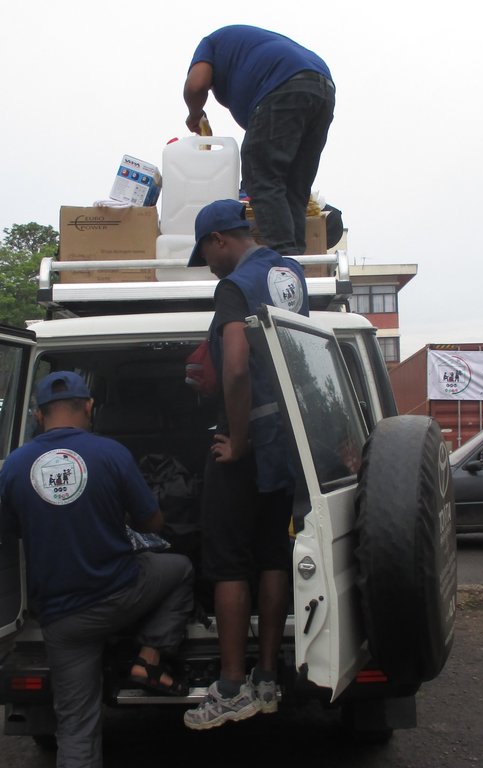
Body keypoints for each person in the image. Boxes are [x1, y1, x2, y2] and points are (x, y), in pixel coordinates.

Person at [0, 371, 193, 768]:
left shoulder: (15, 466)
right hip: (121, 596)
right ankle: (149, 661)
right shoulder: (111, 454)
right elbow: (152, 525)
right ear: (88, 407)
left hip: (62, 621)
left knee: (77, 728)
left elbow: (16, 530)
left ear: (39, 415)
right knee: (181, 570)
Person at [182, 199, 310, 731]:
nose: (209, 265)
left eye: (206, 254)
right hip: (287, 442)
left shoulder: (233, 286)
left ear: (219, 240)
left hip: (249, 441)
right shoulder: (290, 272)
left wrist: (235, 440)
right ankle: (265, 677)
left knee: (230, 563)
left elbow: (236, 367)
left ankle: (231, 687)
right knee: (272, 556)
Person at [184, 25, 335, 257]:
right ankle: (295, 262)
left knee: (260, 175)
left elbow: (196, 85)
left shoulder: (210, 44)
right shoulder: (245, 51)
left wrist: (195, 114)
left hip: (284, 83)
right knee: (294, 188)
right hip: (322, 88)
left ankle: (284, 262)